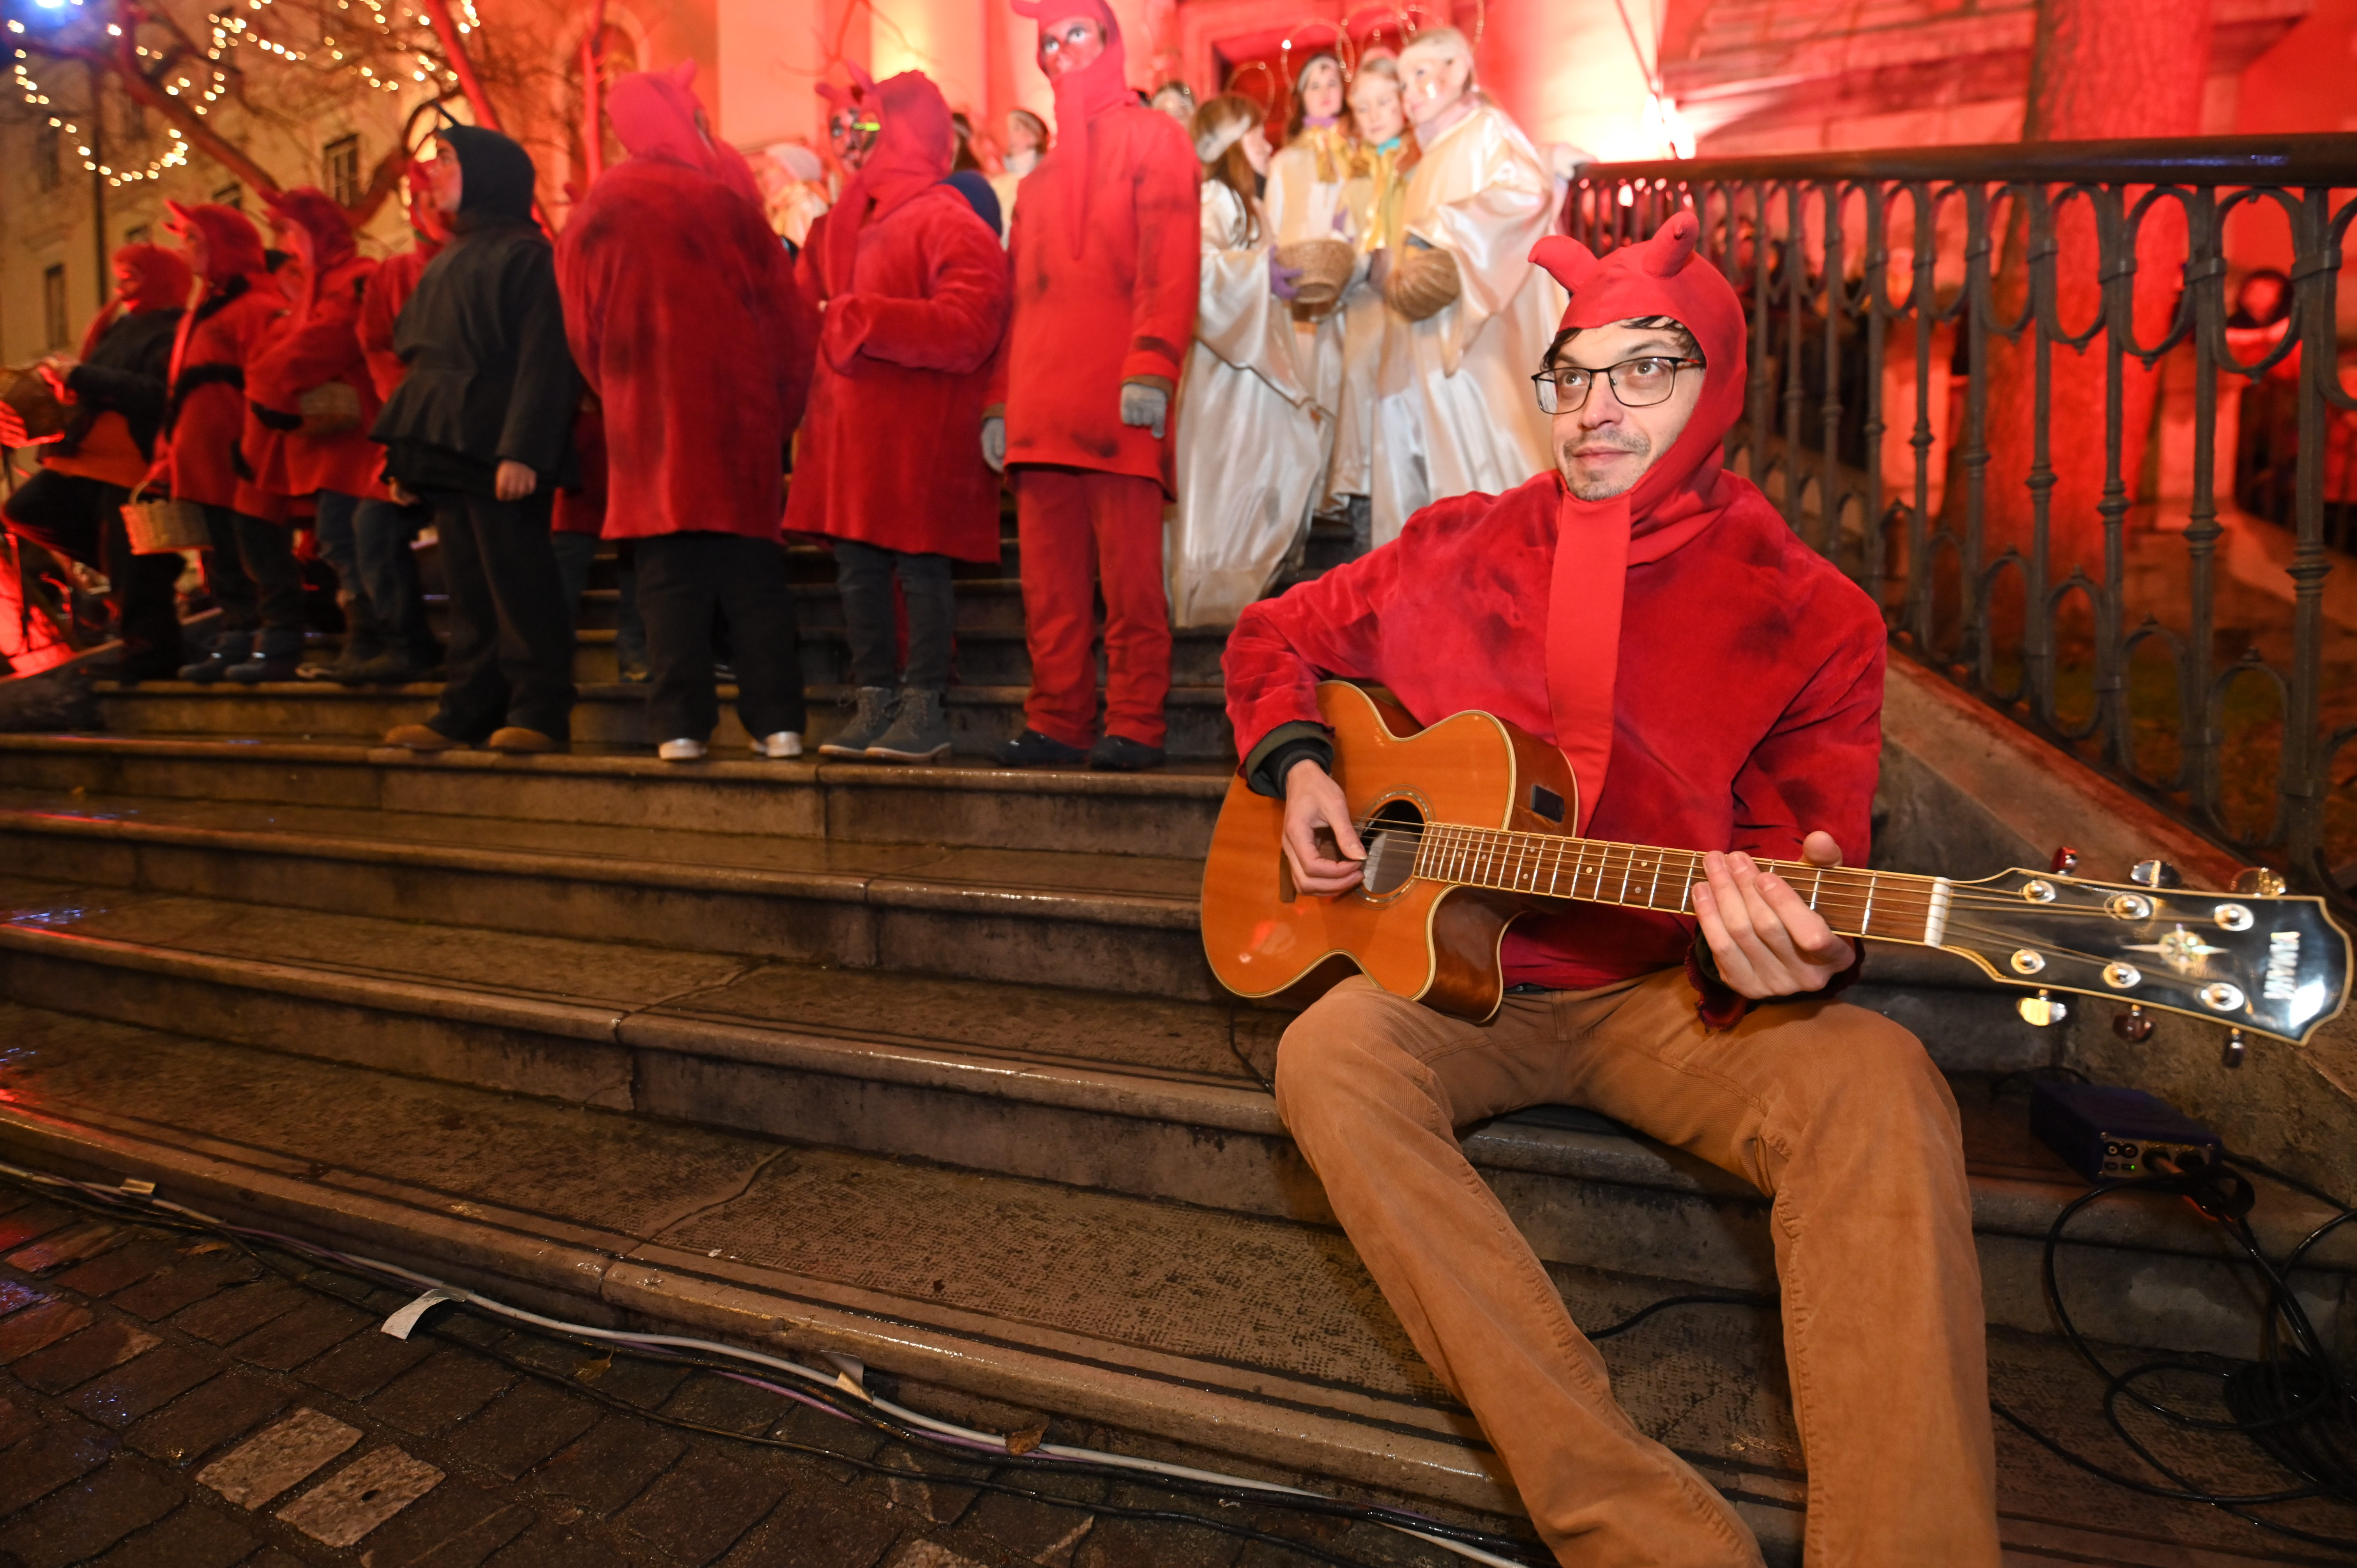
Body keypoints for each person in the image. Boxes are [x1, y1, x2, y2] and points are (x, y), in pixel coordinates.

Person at [1222, 212, 2000, 1568]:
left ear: (1719, 384)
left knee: (1877, 1079)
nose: (1594, 409)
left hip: (1669, 997)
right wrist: (1298, 767)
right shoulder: (1458, 546)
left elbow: (1803, 849)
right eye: (1571, 374)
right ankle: (1639, 1539)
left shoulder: (1810, 614)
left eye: (1644, 371)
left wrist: (1785, 944)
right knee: (1325, 1057)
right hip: (1457, 983)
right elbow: (1271, 633)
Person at [558, 61, 816, 763]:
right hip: (736, 417)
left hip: (646, 418)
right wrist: (779, 416)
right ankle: (778, 723)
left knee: (667, 582)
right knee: (753, 580)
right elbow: (788, 325)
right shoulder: (728, 205)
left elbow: (582, 330)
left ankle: (679, 725)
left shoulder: (596, 212)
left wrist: (619, 392)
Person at [984, 0, 1198, 772]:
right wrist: (999, 399)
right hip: (1041, 404)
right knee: (1049, 586)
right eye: (1049, 41)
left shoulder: (1156, 139)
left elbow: (1170, 261)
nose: (1060, 50)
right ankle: (1058, 716)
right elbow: (1017, 301)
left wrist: (1152, 361)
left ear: (1108, 41)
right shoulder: (1036, 183)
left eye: (1076, 32)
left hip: (1117, 397)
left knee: (1131, 580)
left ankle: (1136, 720)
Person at [789, 67, 1009, 763]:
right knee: (857, 571)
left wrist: (866, 319)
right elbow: (805, 322)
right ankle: (875, 700)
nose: (859, 139)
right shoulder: (843, 224)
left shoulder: (947, 217)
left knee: (918, 569)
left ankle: (923, 708)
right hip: (849, 437)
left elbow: (972, 324)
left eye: (873, 124)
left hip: (915, 437)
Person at [373, 126, 580, 755]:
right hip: (452, 441)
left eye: (448, 159)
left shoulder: (528, 256)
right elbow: (424, 361)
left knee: (519, 580)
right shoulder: (450, 257)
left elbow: (546, 359)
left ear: (487, 173)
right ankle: (468, 707)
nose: (433, 173)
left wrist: (524, 449)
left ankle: (539, 708)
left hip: (496, 443)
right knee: (467, 585)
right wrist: (408, 457)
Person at [1364, 25, 1558, 549]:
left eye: (1421, 74)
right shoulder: (1427, 156)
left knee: (1487, 447)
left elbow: (1527, 192)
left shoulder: (1487, 128)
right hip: (1429, 333)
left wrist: (1445, 231)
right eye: (1404, 82)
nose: (1409, 93)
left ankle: (1505, 557)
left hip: (1477, 336)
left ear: (1458, 71)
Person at [0, 244, 190, 682]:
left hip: (131, 464)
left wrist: (80, 376)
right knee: (27, 510)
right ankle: (148, 585)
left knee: (131, 559)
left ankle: (150, 655)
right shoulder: (118, 327)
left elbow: (157, 394)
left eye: (133, 272)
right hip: (85, 460)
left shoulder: (171, 330)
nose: (121, 279)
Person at [1167, 95, 1319, 628]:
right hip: (1225, 382)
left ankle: (1243, 597)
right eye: (1256, 135)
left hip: (1252, 372)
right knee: (1232, 481)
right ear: (1230, 143)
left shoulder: (1250, 205)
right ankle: (1214, 603)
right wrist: (1257, 274)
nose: (1268, 145)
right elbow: (1196, 269)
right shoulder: (1214, 198)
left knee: (1271, 469)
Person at [151, 201, 306, 685]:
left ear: (225, 244)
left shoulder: (255, 307)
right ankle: (239, 633)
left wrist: (254, 448)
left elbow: (272, 380)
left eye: (193, 237)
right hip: (206, 463)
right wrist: (168, 456)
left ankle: (278, 640)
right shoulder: (204, 312)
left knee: (259, 552)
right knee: (222, 557)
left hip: (245, 459)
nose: (183, 249)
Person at [243, 186, 385, 684]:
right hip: (333, 441)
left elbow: (327, 338)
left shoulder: (354, 278)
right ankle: (365, 636)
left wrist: (268, 383)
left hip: (358, 438)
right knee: (341, 539)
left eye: (290, 230)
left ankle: (374, 637)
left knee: (350, 537)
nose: (286, 242)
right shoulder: (319, 285)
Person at [348, 163, 451, 686]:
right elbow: (376, 345)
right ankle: (408, 644)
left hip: (463, 429)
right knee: (374, 526)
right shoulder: (393, 275)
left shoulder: (477, 261)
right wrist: (403, 401)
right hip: (411, 428)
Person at [1329, 53, 1415, 554]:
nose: (1374, 115)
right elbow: (1342, 237)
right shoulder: (1355, 175)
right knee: (1361, 403)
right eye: (1363, 108)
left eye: (1384, 102)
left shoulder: (1422, 161)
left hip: (1413, 304)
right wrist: (1357, 261)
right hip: (1367, 308)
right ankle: (1369, 537)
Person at [1263, 50, 1352, 518]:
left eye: (1332, 82)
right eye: (1315, 85)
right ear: (1301, 96)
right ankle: (1303, 494)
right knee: (1305, 382)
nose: (1324, 92)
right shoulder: (1286, 159)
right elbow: (1274, 223)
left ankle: (1337, 489)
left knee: (1341, 382)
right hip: (1300, 288)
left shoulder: (1358, 154)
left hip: (1348, 286)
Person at [986, 108, 1048, 248]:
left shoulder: (1046, 181)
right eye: (1009, 130)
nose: (1010, 135)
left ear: (1034, 136)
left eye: (1017, 129)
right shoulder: (997, 185)